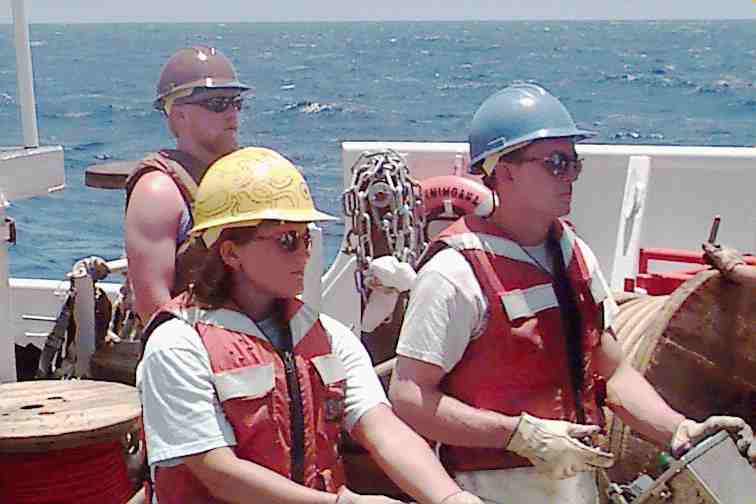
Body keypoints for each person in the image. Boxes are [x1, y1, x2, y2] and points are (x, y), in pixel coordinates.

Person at [388, 83, 756, 504]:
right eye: (555, 163)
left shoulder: (573, 255)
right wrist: (520, 436)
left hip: (577, 488)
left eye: (574, 163)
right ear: (504, 171)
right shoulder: (454, 274)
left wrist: (680, 431)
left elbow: (612, 372)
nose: (570, 176)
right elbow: (410, 396)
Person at [136, 147, 483, 504]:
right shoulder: (177, 345)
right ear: (230, 253)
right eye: (286, 240)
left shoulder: (328, 336)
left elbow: (381, 428)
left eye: (306, 238)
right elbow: (218, 471)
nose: (304, 253)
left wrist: (449, 498)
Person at [125, 46, 251, 324]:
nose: (232, 114)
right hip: (196, 354)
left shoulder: (241, 176)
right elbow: (154, 311)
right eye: (218, 104)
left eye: (236, 103)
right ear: (179, 115)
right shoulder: (158, 192)